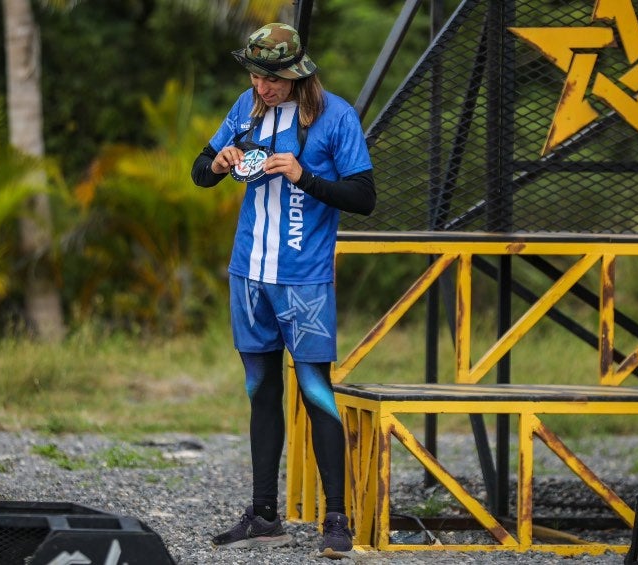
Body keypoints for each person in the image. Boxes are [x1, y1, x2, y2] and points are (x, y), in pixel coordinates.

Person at [190, 22, 375, 559]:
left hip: (304, 280)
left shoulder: (335, 117)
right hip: (248, 274)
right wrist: (218, 163)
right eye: (253, 76)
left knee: (317, 392)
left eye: (270, 79)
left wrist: (303, 176)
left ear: (296, 75)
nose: (261, 87)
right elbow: (199, 171)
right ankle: (264, 514)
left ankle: (335, 518)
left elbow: (364, 197)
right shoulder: (245, 109)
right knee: (260, 390)